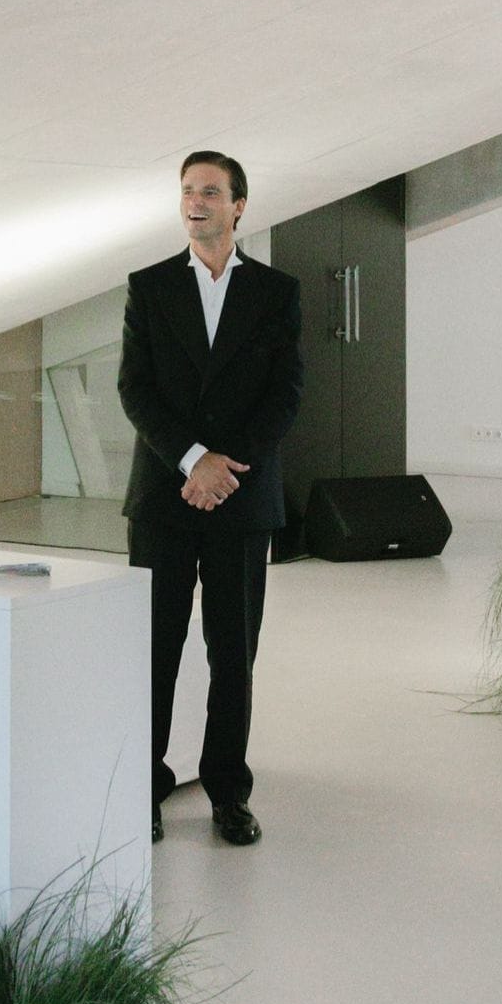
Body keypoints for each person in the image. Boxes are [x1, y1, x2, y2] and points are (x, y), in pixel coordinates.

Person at [118, 150, 302, 847]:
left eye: (210, 192)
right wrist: (195, 461)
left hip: (241, 499)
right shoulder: (148, 286)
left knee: (233, 653)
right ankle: (144, 789)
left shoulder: (277, 292)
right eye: (188, 191)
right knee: (153, 648)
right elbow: (136, 389)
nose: (195, 202)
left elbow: (285, 394)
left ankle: (228, 792)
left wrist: (225, 470)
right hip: (165, 496)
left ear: (238, 206)